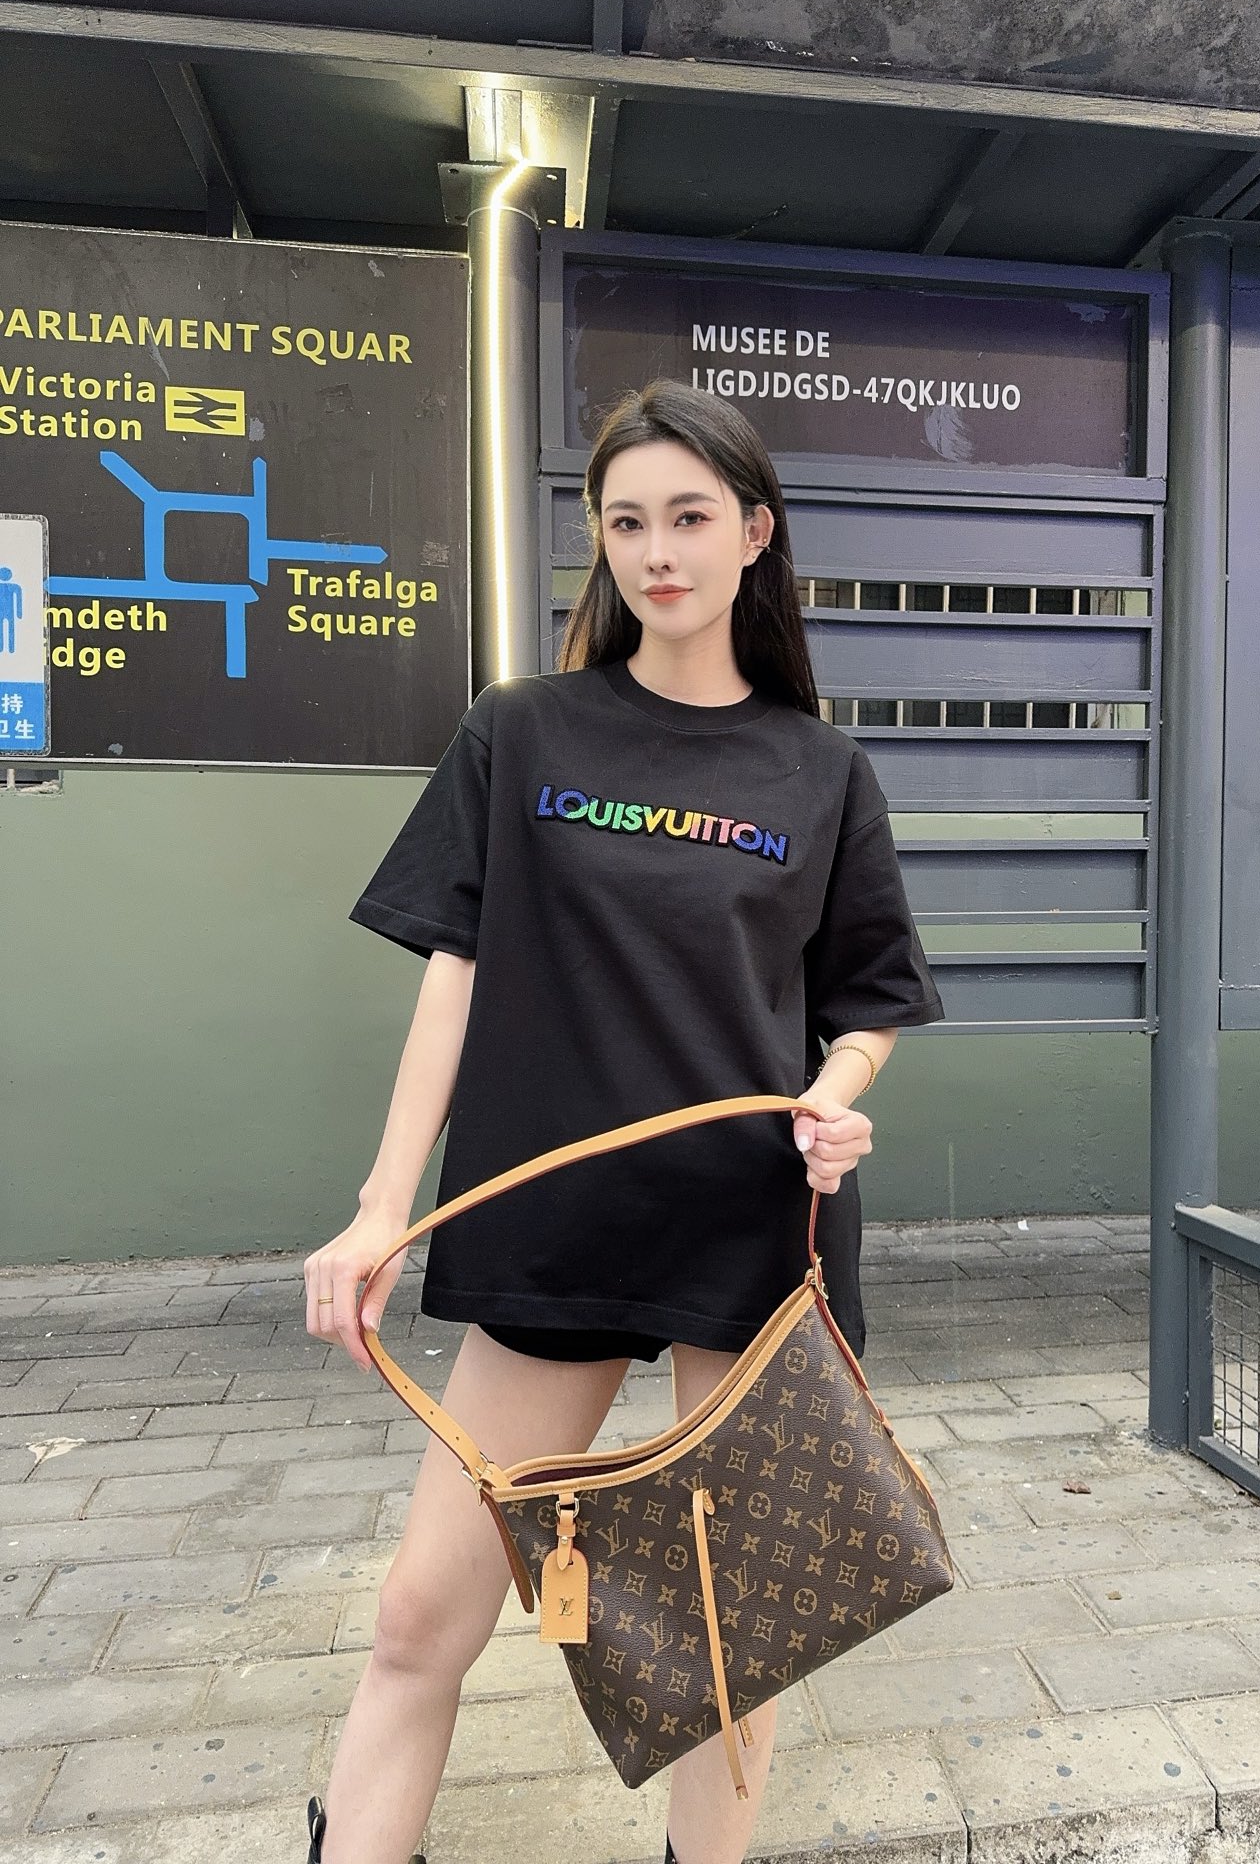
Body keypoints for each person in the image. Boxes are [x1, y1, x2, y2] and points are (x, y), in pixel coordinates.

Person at [301, 379, 944, 1864]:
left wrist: (835, 1101)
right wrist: (383, 1205)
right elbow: (454, 979)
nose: (660, 552)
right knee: (419, 1619)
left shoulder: (821, 769)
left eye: (692, 518)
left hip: (752, 1229)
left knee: (734, 1649)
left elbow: (867, 1007)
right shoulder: (521, 733)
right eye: (629, 521)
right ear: (600, 537)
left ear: (755, 535)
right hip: (557, 1213)